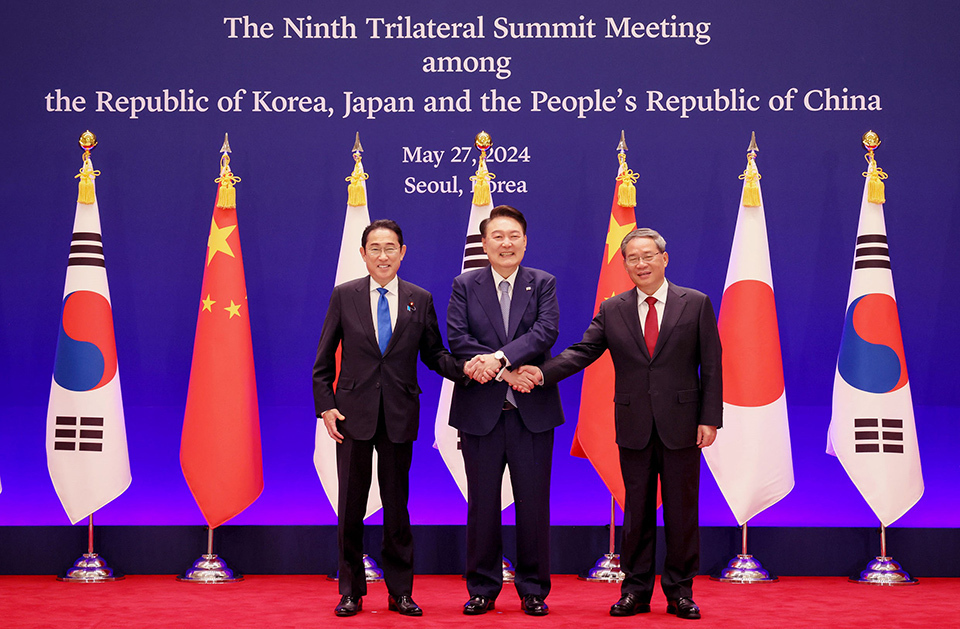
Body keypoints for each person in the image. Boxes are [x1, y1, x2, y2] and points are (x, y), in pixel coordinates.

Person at [520, 228, 721, 620]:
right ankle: (635, 590)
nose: (641, 264)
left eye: (649, 256)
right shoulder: (614, 309)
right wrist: (541, 373)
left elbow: (711, 365)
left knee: (682, 512)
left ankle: (681, 591)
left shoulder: (695, 303)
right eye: (633, 258)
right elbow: (582, 351)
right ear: (625, 264)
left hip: (683, 424)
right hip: (633, 424)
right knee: (637, 513)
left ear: (665, 258)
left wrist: (710, 418)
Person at [313, 219, 467, 617]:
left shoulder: (420, 298)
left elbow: (435, 356)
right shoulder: (344, 296)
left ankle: (401, 591)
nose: (383, 255)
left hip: (399, 414)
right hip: (352, 416)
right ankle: (351, 590)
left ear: (403, 252)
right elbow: (323, 361)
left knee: (397, 506)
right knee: (350, 506)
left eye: (391, 247)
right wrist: (326, 406)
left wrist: (471, 370)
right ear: (363, 254)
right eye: (375, 248)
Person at [447, 205, 565, 617]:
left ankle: (533, 589)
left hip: (532, 412)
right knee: (481, 505)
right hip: (480, 413)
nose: (506, 243)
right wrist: (504, 374)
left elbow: (545, 332)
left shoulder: (542, 283)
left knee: (534, 504)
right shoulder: (465, 283)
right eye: (497, 236)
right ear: (485, 243)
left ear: (525, 241)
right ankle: (482, 588)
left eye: (514, 235)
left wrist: (498, 360)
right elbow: (458, 340)